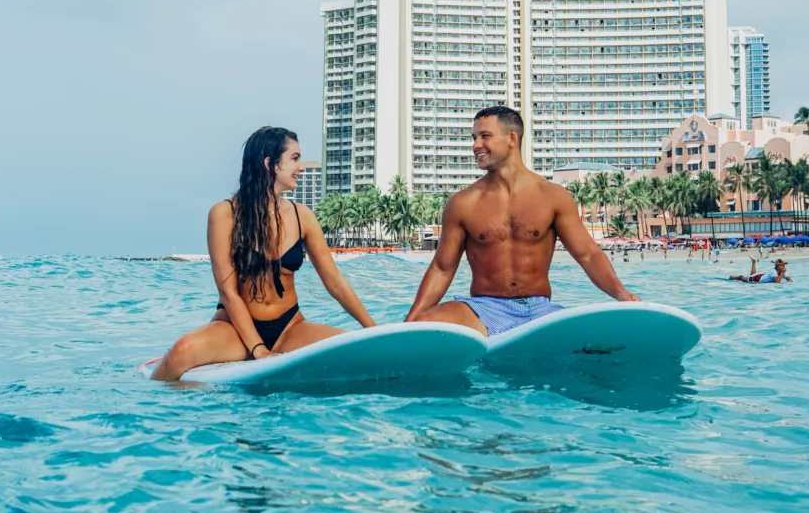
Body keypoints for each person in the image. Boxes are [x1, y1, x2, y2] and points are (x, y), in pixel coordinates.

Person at [151, 127, 376, 381]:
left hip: (289, 328)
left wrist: (373, 331)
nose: (301, 167)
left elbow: (335, 283)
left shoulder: (303, 216)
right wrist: (258, 349)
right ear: (269, 164)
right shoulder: (224, 214)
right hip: (234, 328)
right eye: (294, 158)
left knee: (355, 352)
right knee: (181, 352)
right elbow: (229, 292)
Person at [404, 106, 639, 337]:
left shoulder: (553, 196)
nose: (476, 145)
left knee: (600, 341)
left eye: (485, 136)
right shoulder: (463, 203)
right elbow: (442, 268)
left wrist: (621, 293)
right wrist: (411, 321)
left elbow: (588, 255)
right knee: (426, 322)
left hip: (541, 310)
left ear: (511, 138)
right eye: (474, 137)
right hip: (484, 310)